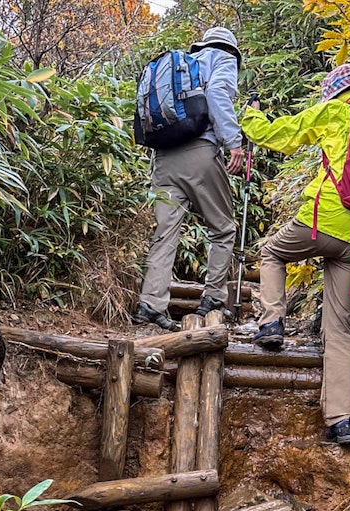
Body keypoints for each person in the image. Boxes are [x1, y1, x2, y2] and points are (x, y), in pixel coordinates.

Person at [241, 63, 350, 445]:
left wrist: (252, 113)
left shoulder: (336, 111)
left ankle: (272, 322)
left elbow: (276, 135)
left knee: (272, 253)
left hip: (323, 221)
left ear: (335, 92)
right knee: (341, 330)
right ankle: (343, 420)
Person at [132, 26, 245, 332]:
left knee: (165, 233)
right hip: (199, 152)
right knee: (222, 228)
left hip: (164, 157)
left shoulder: (183, 64)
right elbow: (219, 93)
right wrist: (234, 141)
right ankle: (213, 300)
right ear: (231, 50)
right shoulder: (222, 59)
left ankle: (150, 306)